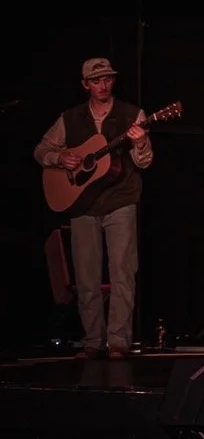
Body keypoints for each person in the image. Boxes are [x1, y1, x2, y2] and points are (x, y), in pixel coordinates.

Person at [34, 58, 154, 360]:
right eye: (96, 80)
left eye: (108, 79)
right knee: (86, 276)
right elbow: (41, 150)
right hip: (82, 204)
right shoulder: (70, 117)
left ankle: (118, 342)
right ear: (85, 84)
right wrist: (61, 159)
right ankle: (92, 341)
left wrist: (140, 145)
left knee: (123, 273)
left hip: (120, 200)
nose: (103, 85)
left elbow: (145, 163)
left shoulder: (132, 115)